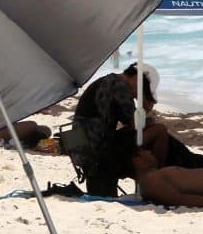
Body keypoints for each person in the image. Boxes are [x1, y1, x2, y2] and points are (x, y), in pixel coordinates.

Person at [72, 62, 170, 196]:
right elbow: (135, 125)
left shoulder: (109, 81)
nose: (137, 96)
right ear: (137, 78)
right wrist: (146, 109)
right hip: (97, 150)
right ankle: (158, 182)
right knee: (159, 131)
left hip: (84, 145)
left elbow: (127, 124)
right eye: (143, 90)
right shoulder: (120, 86)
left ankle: (154, 179)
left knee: (152, 131)